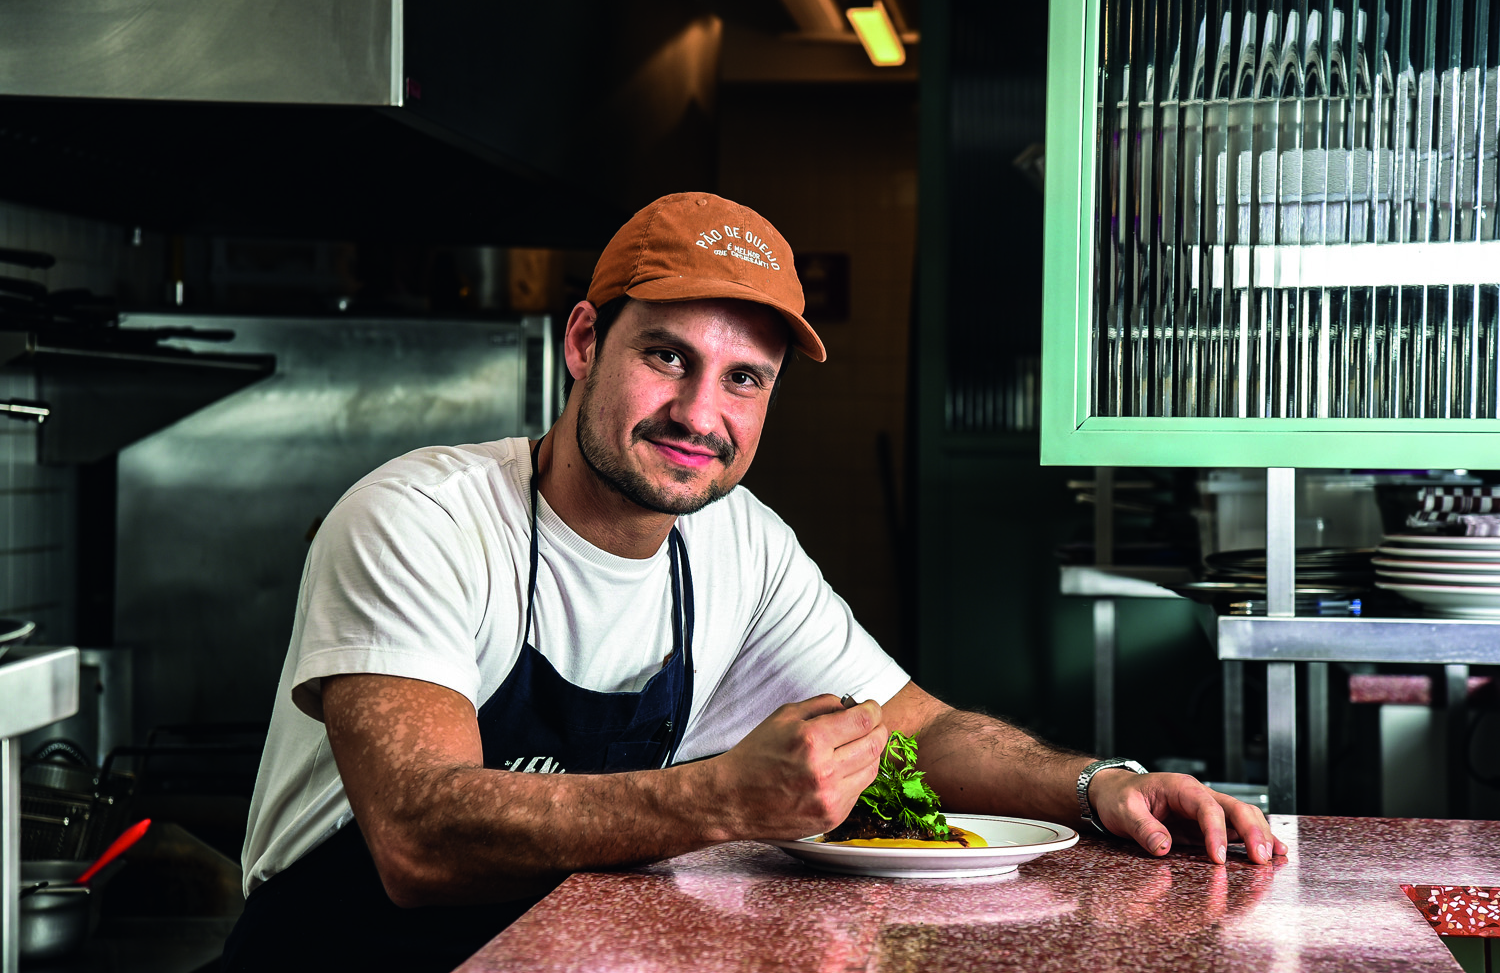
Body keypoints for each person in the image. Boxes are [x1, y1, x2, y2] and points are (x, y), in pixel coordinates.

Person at [222, 192, 1286, 972]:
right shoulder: (425, 518)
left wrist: (1100, 785)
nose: (701, 412)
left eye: (745, 378)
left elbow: (911, 728)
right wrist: (723, 796)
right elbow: (416, 838)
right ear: (585, 341)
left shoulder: (738, 543)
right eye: (667, 355)